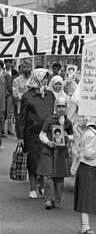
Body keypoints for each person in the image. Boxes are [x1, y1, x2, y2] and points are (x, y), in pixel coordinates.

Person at [17, 68, 55, 199]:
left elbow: (55, 113)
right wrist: (20, 136)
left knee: (45, 159)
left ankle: (43, 186)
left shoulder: (50, 94)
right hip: (31, 134)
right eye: (44, 77)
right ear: (37, 78)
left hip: (47, 133)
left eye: (47, 77)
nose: (46, 80)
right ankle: (33, 187)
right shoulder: (27, 96)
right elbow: (21, 117)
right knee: (33, 160)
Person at [37, 97, 73, 209]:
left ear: (66, 108)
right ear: (55, 107)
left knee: (59, 177)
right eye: (59, 106)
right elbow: (41, 134)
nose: (61, 109)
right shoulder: (49, 120)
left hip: (61, 153)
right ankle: (48, 199)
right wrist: (48, 142)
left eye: (63, 106)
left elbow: (72, 137)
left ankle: (57, 200)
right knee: (48, 176)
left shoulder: (68, 122)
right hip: (49, 151)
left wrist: (68, 137)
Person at [74, 117, 96, 234]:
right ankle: (85, 228)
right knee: (86, 198)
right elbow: (88, 154)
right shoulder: (91, 135)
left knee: (85, 198)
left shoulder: (90, 134)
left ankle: (84, 227)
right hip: (88, 168)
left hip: (88, 168)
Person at [13, 59, 33, 135]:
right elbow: (15, 94)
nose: (26, 69)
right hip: (21, 107)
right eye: (24, 67)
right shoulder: (16, 80)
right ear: (21, 68)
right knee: (21, 126)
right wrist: (26, 98)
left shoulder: (35, 79)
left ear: (31, 68)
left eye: (28, 67)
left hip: (34, 107)